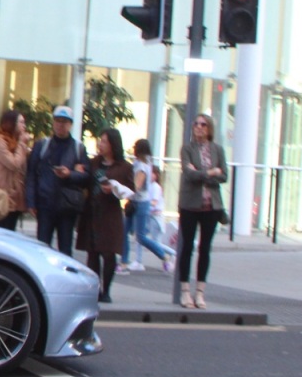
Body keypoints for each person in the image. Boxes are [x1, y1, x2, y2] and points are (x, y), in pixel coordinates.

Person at [76, 128, 135, 303]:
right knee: (92, 252)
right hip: (92, 211)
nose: (100, 144)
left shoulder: (124, 167)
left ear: (113, 144)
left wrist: (114, 189)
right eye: (100, 141)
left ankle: (106, 289)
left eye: (104, 141)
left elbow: (131, 190)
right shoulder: (94, 163)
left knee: (108, 253)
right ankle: (94, 289)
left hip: (110, 214)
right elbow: (86, 180)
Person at [177, 113, 228, 309]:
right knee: (187, 247)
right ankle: (184, 292)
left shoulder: (218, 150)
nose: (198, 127)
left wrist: (204, 174)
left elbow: (224, 175)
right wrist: (210, 172)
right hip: (190, 204)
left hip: (211, 206)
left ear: (209, 129)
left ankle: (200, 292)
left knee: (205, 248)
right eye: (196, 124)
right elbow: (189, 174)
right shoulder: (187, 149)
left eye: (203, 124)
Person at [25, 105, 91, 254]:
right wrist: (31, 201)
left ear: (71, 124)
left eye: (65, 122)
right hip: (45, 204)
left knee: (66, 249)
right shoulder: (42, 145)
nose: (61, 125)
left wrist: (70, 174)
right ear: (53, 122)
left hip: (68, 206)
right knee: (42, 247)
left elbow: (87, 176)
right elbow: (32, 174)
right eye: (58, 121)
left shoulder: (78, 148)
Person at [120, 139, 175, 273]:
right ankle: (124, 261)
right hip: (139, 201)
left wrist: (123, 190)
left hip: (138, 202)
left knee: (140, 236)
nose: (133, 149)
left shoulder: (141, 166)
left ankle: (164, 256)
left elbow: (137, 185)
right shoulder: (146, 164)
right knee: (125, 232)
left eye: (135, 147)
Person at [0, 109, 30, 231]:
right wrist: (21, 144)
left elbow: (22, 167)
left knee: (11, 230)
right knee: (1, 231)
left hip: (15, 196)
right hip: (2, 195)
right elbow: (14, 164)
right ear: (11, 123)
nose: (24, 126)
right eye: (21, 122)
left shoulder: (16, 143)